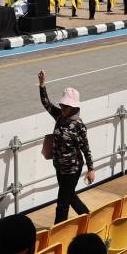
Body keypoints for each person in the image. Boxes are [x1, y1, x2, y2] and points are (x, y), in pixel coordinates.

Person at [38, 70, 95, 223]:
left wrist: (90, 169)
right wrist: (42, 84)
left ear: (74, 107)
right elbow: (46, 104)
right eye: (62, 105)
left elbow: (85, 148)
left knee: (62, 203)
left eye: (66, 106)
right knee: (69, 196)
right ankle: (88, 217)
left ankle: (58, 230)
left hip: (72, 169)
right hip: (59, 166)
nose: (63, 108)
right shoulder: (59, 116)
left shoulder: (79, 126)